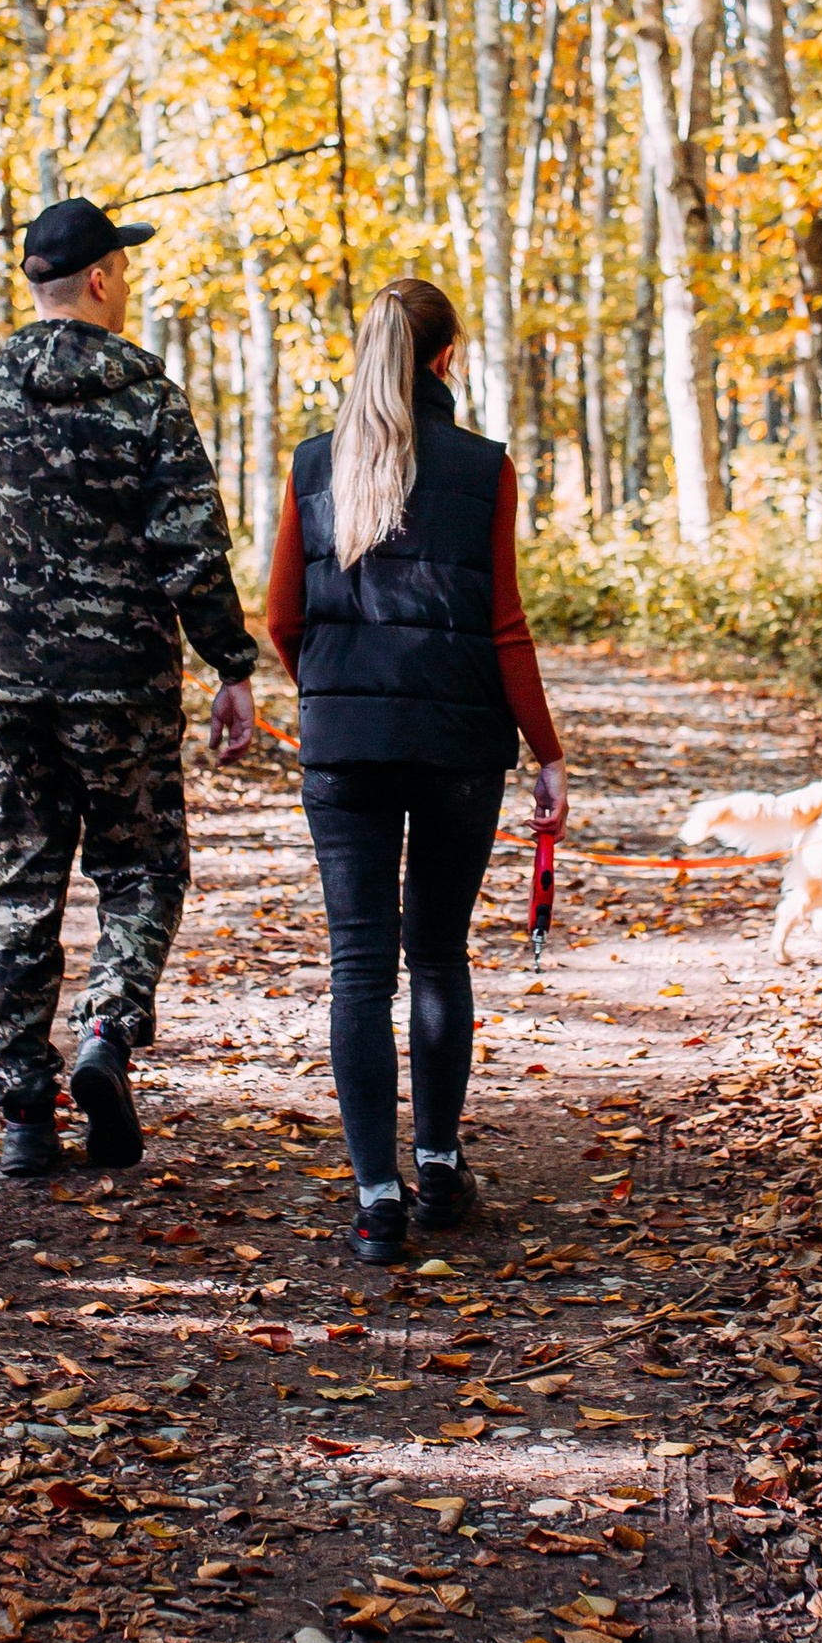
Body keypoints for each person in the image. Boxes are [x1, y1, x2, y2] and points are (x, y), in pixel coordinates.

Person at [0, 196, 257, 1181]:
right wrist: (230, 665)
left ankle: (25, 1112)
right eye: (126, 267)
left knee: (16, 890)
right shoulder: (149, 402)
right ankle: (107, 1029)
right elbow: (190, 551)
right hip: (125, 695)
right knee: (142, 872)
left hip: (9, 694)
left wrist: (4, 589)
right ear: (101, 278)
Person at [265, 277, 566, 1266]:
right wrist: (547, 754)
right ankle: (438, 1170)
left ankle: (374, 1203)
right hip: (458, 750)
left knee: (359, 966)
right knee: (435, 954)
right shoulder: (484, 468)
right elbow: (505, 627)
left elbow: (280, 619)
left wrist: (338, 696)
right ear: (445, 359)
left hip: (344, 751)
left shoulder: (314, 465)